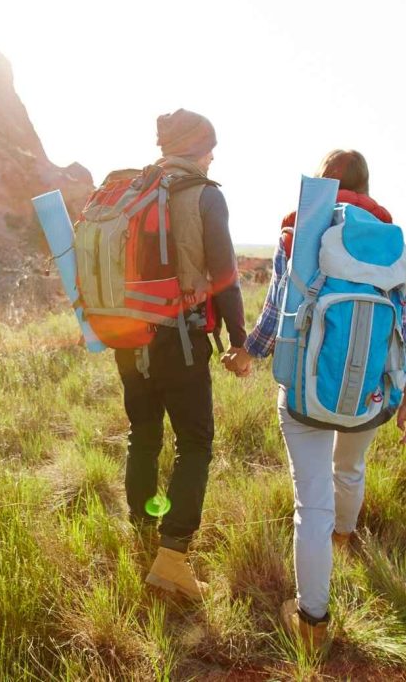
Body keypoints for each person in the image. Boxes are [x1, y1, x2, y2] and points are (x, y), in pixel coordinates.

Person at [223, 149, 406, 652]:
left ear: (323, 182)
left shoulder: (302, 229)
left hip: (304, 394)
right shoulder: (385, 241)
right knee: (350, 470)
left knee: (310, 503)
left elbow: (277, 311)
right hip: (372, 392)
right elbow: (404, 326)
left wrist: (248, 354)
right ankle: (344, 539)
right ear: (365, 185)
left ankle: (312, 621)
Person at [118, 109, 248, 602]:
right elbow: (225, 277)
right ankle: (171, 557)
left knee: (143, 436)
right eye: (210, 147)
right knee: (194, 443)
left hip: (130, 337)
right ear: (197, 148)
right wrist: (239, 341)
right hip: (182, 338)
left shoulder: (135, 192)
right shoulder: (204, 196)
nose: (213, 156)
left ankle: (142, 533)